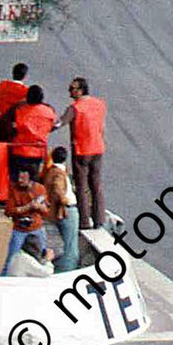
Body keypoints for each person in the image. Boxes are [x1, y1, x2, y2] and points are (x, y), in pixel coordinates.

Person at [55, 76, 108, 230]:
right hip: (97, 148)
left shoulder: (75, 108)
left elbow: (59, 123)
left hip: (81, 150)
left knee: (82, 186)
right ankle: (99, 219)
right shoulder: (99, 104)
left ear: (80, 90)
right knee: (96, 185)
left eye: (72, 89)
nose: (69, 92)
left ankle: (84, 221)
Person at [1, 169, 49, 275]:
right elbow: (9, 211)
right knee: (11, 258)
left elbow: (46, 210)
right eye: (19, 178)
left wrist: (39, 207)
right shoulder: (14, 189)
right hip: (20, 228)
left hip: (37, 227)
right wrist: (27, 207)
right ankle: (4, 278)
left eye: (23, 178)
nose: (20, 180)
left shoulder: (39, 188)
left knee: (42, 254)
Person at [41, 146, 79, 271]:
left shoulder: (50, 171)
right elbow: (58, 188)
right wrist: (64, 200)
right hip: (66, 210)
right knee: (70, 244)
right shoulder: (59, 172)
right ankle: (68, 268)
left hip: (55, 211)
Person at [9, 85, 56, 183]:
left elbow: (11, 126)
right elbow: (53, 126)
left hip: (19, 150)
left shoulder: (20, 110)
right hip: (38, 151)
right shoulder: (49, 111)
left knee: (14, 181)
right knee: (34, 182)